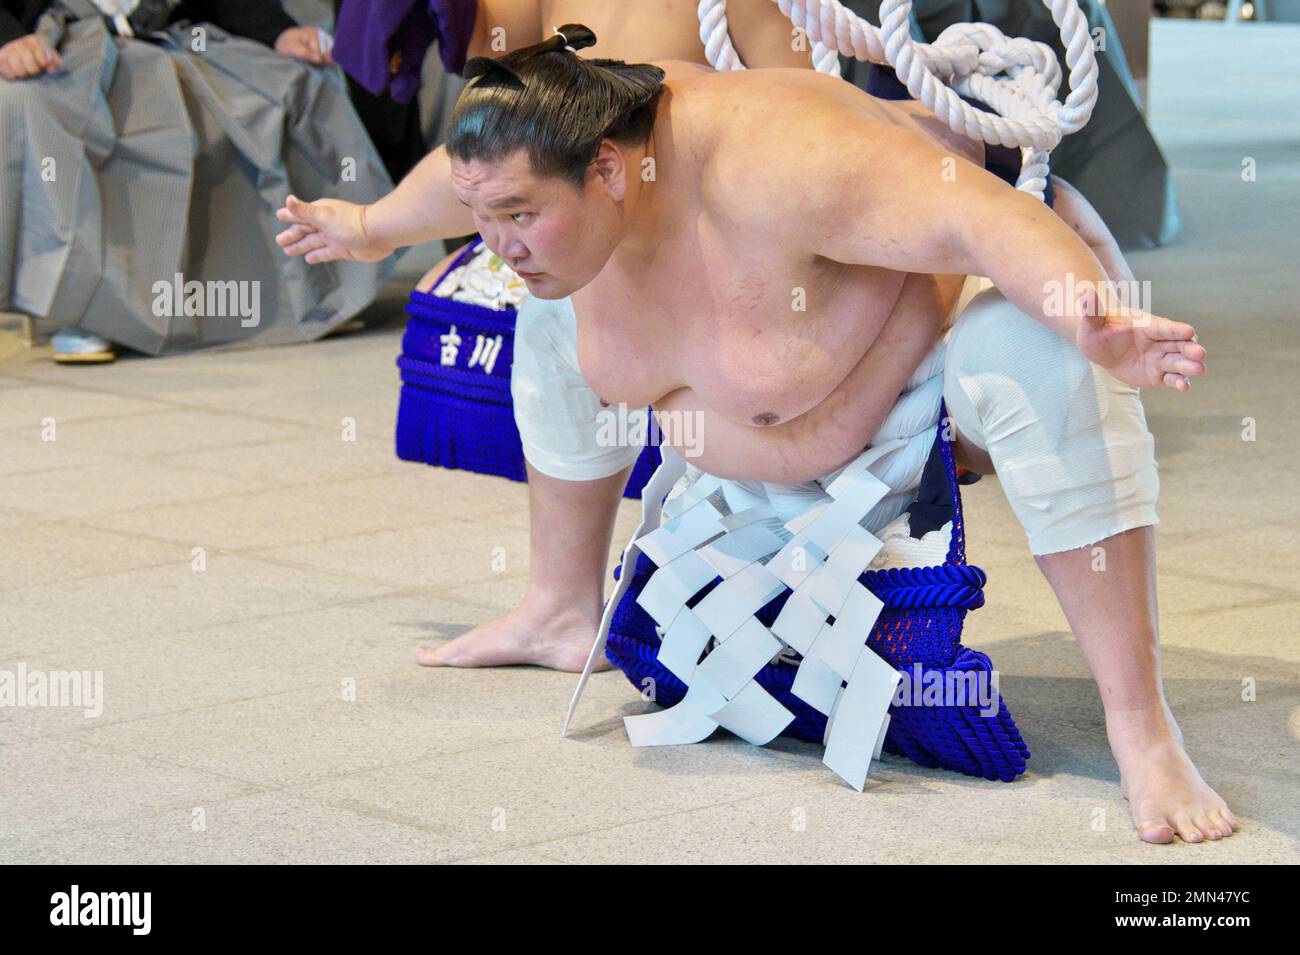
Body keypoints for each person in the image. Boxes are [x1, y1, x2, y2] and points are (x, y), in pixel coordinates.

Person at [273, 25, 1236, 846]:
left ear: (608, 168)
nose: (498, 239)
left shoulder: (783, 157)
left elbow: (983, 220)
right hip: (741, 454)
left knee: (1040, 359)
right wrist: (364, 226)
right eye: (488, 217)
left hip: (924, 367)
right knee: (544, 307)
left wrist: (1094, 319)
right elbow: (475, 180)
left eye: (519, 216)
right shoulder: (548, 156)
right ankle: (559, 609)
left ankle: (1142, 730)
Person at [0, 0, 391, 362]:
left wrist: (276, 31)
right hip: (60, 43)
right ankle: (87, 310)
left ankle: (326, 291)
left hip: (179, 34)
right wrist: (10, 40)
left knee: (298, 83)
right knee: (40, 108)